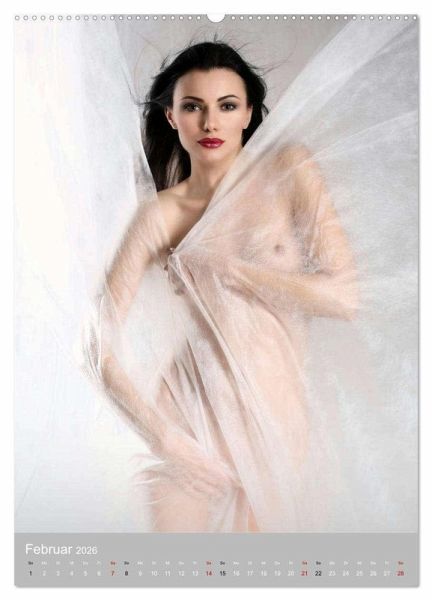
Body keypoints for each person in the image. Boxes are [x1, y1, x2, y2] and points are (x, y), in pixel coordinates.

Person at [89, 40, 359, 533]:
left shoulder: (289, 172)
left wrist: (232, 271)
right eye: (193, 107)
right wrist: (165, 439)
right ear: (172, 117)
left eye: (227, 106)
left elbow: (344, 298)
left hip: (276, 427)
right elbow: (94, 344)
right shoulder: (160, 214)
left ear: (248, 114)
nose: (210, 123)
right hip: (187, 421)